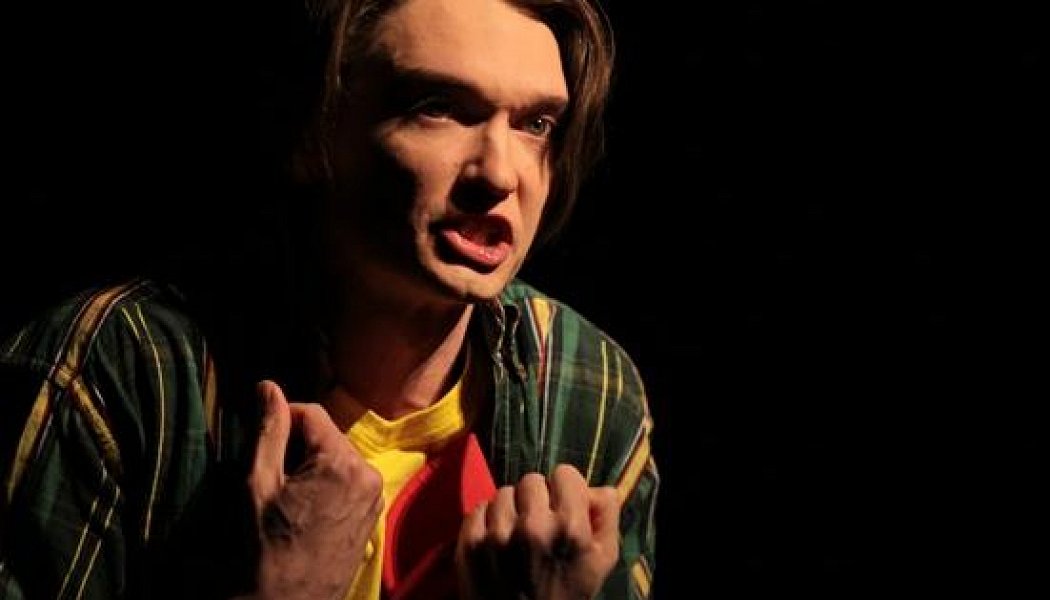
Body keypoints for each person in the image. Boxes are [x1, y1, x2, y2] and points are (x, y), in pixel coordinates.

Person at [0, 0, 658, 598]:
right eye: (437, 107)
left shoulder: (589, 387)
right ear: (310, 129)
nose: (499, 172)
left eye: (535, 124)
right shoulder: (122, 370)